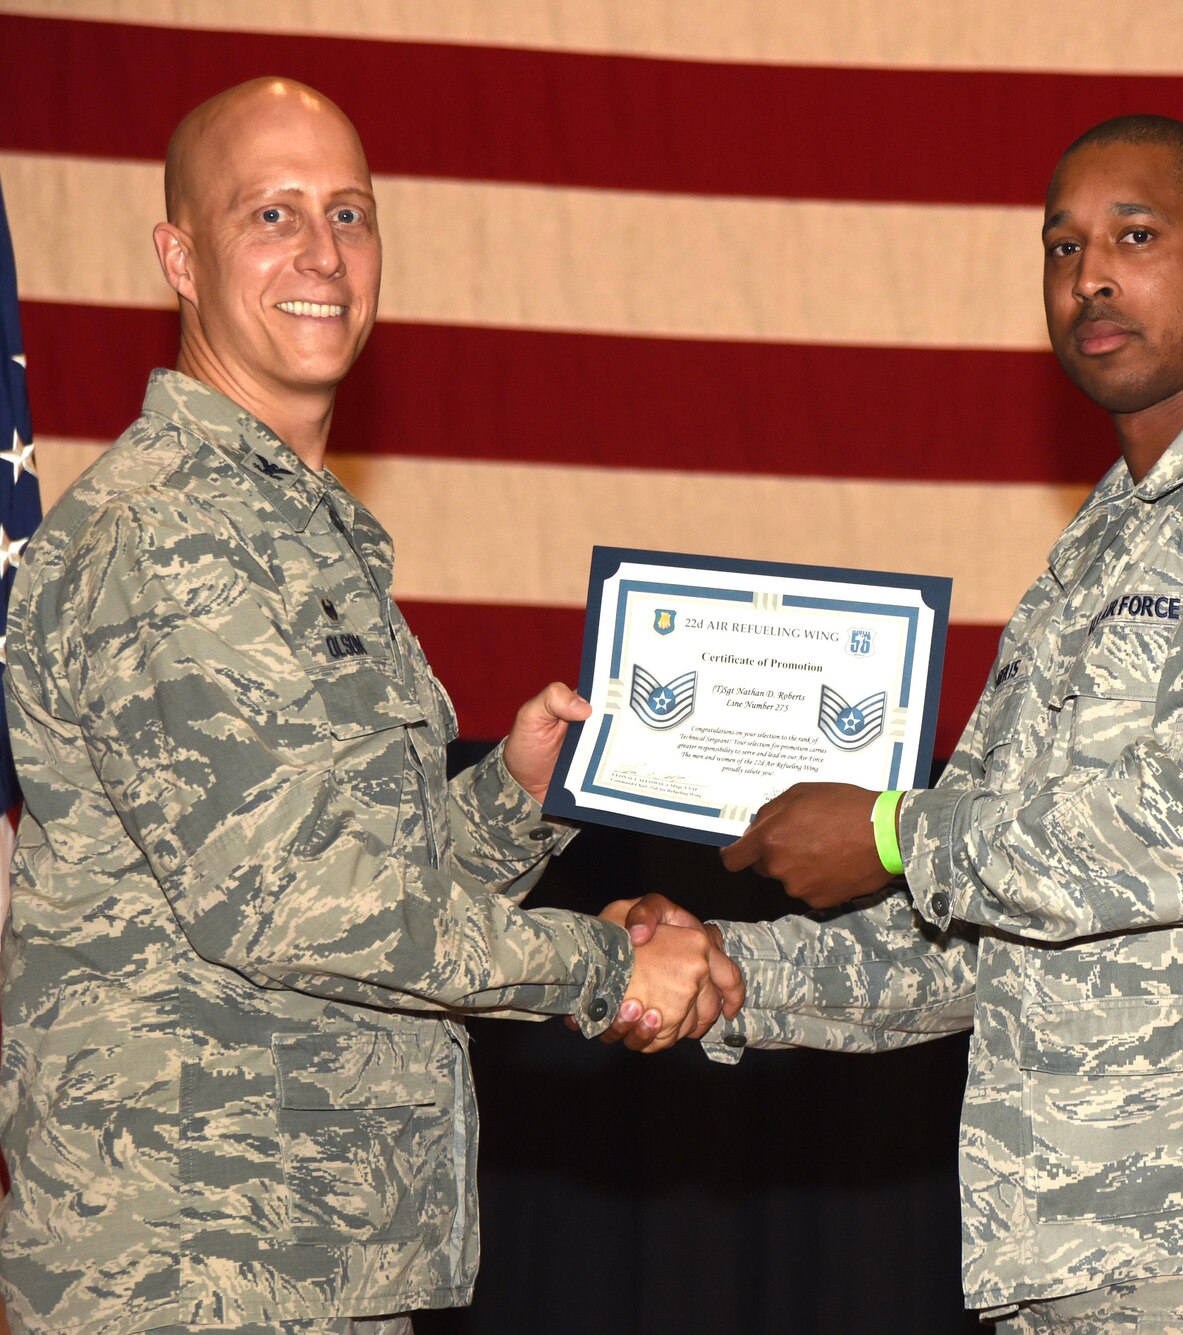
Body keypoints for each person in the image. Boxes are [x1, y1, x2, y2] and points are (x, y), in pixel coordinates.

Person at [619, 115, 1183, 1331]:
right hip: (1073, 1246)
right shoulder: (1090, 556)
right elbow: (972, 933)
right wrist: (724, 978)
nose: (1089, 275)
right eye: (1061, 247)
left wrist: (900, 831)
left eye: (1135, 235)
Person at [0, 78, 737, 1334]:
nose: (322, 256)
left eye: (350, 214)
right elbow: (299, 907)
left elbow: (355, 866)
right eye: (271, 216)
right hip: (188, 1264)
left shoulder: (291, 529)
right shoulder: (165, 535)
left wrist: (515, 796)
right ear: (178, 255)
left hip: (306, 1255)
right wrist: (608, 966)